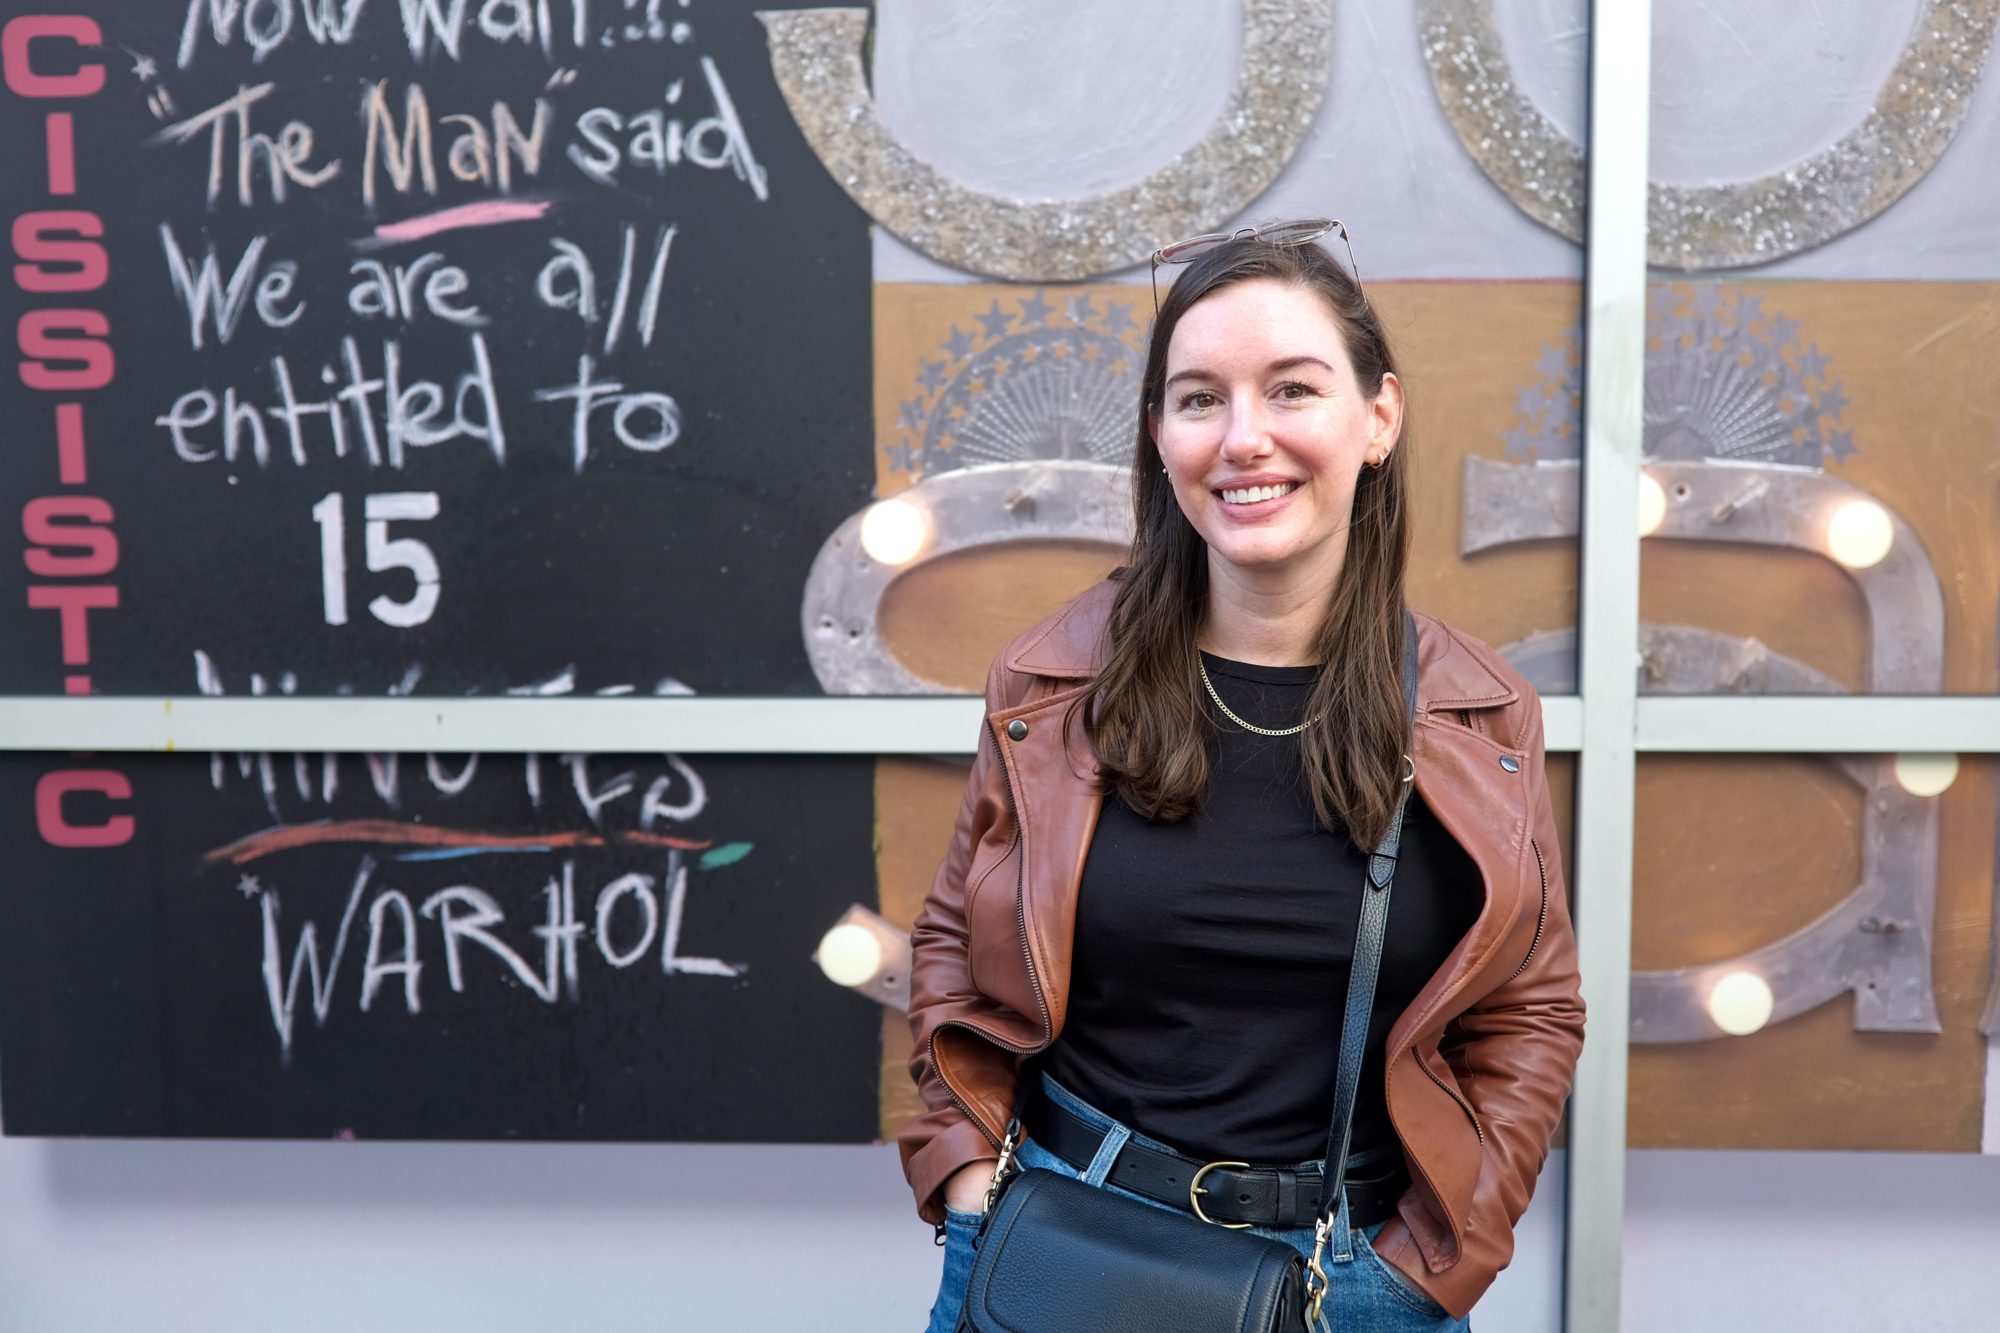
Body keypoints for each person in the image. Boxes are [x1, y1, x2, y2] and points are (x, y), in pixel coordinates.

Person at [902, 224, 1585, 1332]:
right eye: (1198, 397)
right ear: (1159, 436)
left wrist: (1433, 1262)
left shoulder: (1477, 713)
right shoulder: (1050, 685)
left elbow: (1528, 1009)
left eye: (1291, 389)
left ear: (1378, 418)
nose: (1242, 438)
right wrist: (967, 1180)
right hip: (1067, 1246)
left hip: (1359, 1281)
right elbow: (952, 942)